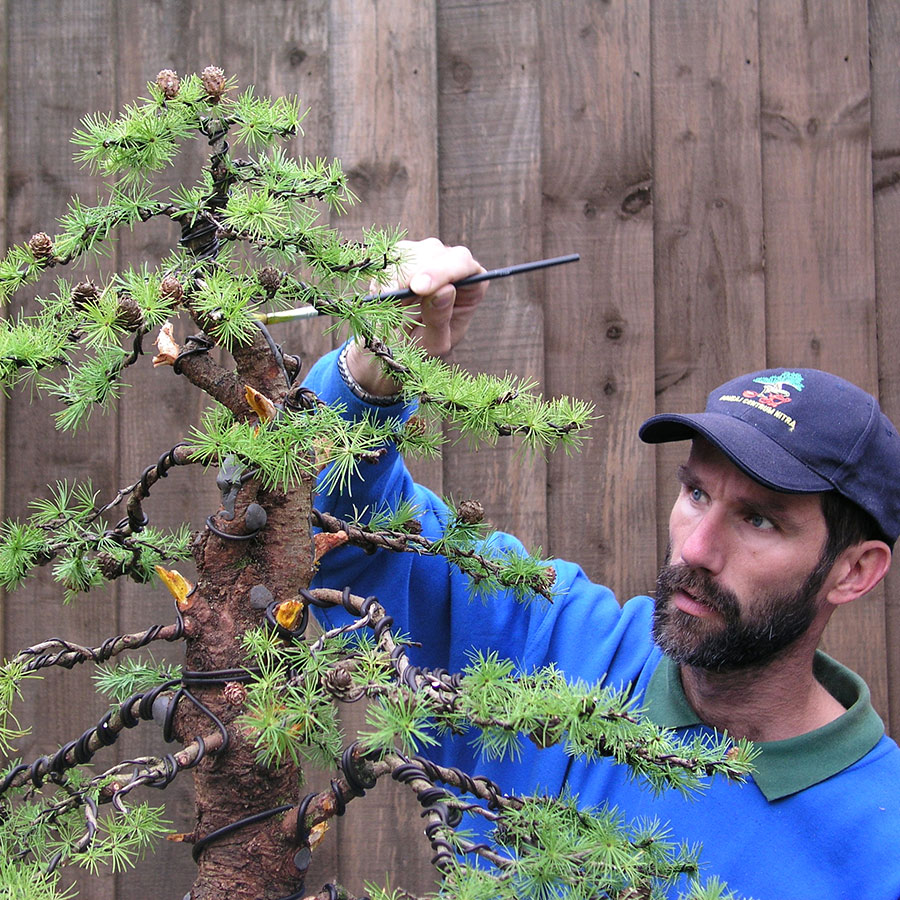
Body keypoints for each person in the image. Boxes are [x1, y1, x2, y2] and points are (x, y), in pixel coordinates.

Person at [303, 239, 900, 899]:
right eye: (697, 493)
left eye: (759, 520)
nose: (697, 549)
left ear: (854, 571)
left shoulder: (881, 845)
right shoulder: (556, 648)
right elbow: (347, 529)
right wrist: (371, 375)